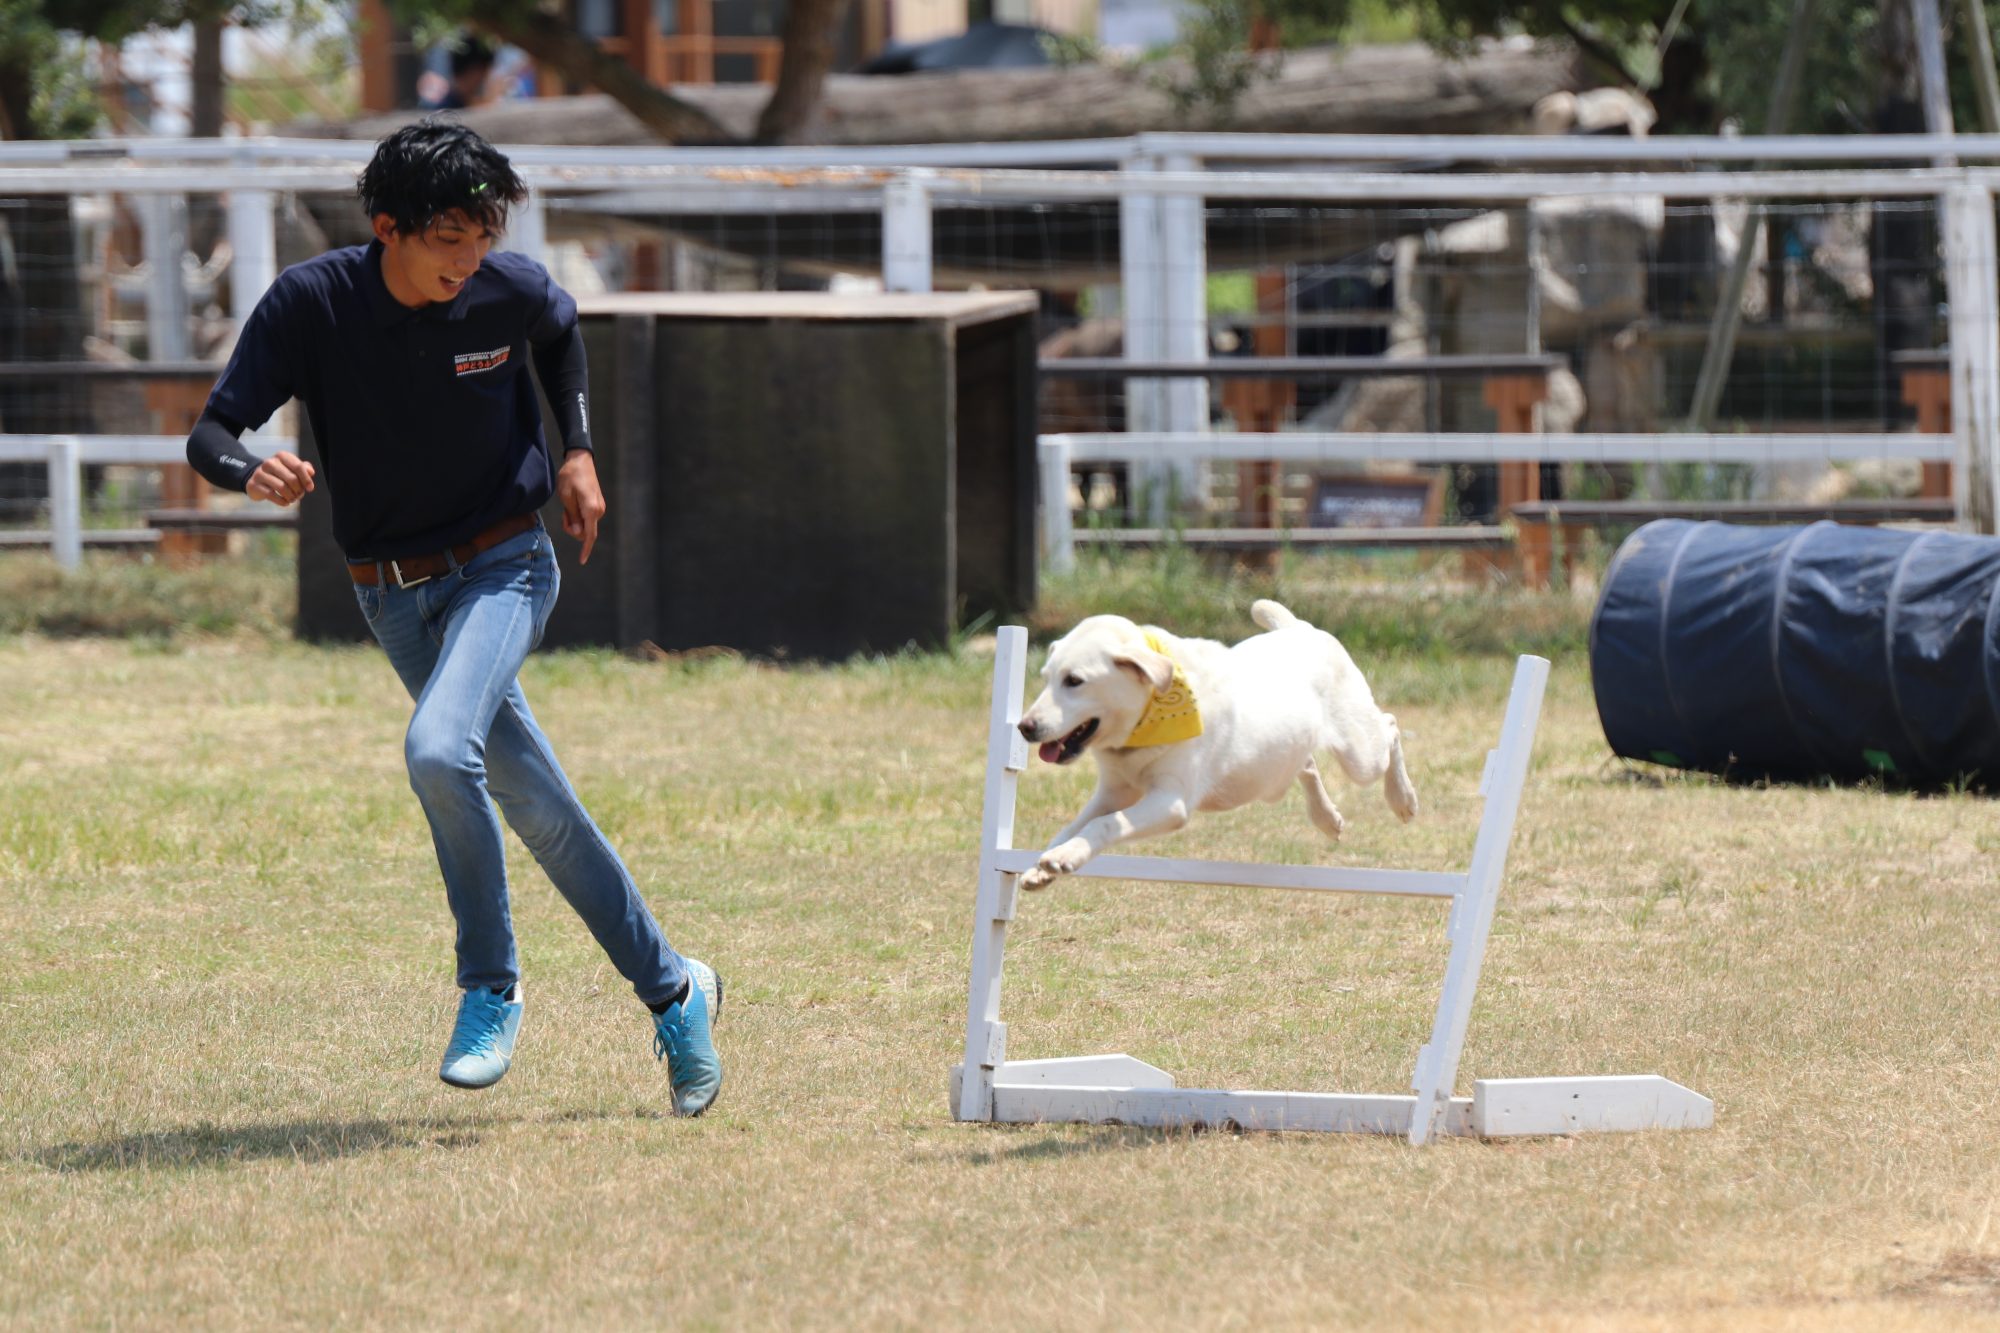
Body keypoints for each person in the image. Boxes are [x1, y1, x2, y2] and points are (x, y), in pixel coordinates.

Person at [185, 121, 723, 1116]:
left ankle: (490, 984)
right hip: (388, 590)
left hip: (506, 566)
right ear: (387, 227)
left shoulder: (502, 288)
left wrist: (577, 450)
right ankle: (677, 986)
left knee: (440, 750)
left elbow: (558, 330)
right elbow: (210, 430)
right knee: (540, 809)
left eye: (483, 235)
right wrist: (245, 466)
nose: (469, 259)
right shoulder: (313, 305)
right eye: (448, 238)